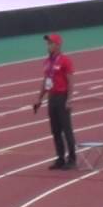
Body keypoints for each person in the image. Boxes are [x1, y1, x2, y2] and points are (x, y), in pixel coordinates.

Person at [32, 33, 77, 170]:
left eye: (50, 43)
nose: (48, 46)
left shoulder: (65, 60)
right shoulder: (47, 62)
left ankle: (72, 159)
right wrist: (39, 99)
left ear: (58, 45)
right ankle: (60, 158)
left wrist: (69, 99)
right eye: (47, 43)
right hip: (52, 98)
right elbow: (46, 81)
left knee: (66, 129)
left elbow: (70, 81)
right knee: (55, 130)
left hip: (62, 97)